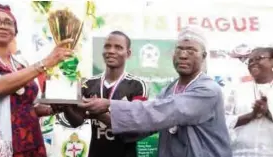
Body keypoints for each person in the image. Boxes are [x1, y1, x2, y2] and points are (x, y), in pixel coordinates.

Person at [80, 26, 232, 157]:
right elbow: (143, 125)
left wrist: (108, 104)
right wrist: (92, 111)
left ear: (203, 56)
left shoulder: (208, 90)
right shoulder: (169, 90)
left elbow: (161, 110)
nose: (183, 55)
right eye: (179, 49)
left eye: (191, 50)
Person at [0, 3, 72, 156]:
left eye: (8, 22)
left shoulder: (21, 63)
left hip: (30, 143)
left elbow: (28, 105)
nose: (2, 25)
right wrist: (45, 63)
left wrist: (52, 109)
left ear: (15, 31)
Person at [62, 31, 148, 157]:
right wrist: (65, 106)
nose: (111, 51)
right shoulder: (88, 84)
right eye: (107, 46)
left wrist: (98, 113)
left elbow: (133, 127)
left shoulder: (137, 85)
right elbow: (77, 122)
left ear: (128, 54)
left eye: (118, 47)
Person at [225, 47, 273, 157]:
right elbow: (223, 121)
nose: (252, 63)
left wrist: (268, 113)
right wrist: (251, 115)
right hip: (241, 153)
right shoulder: (236, 90)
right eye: (250, 60)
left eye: (258, 58)